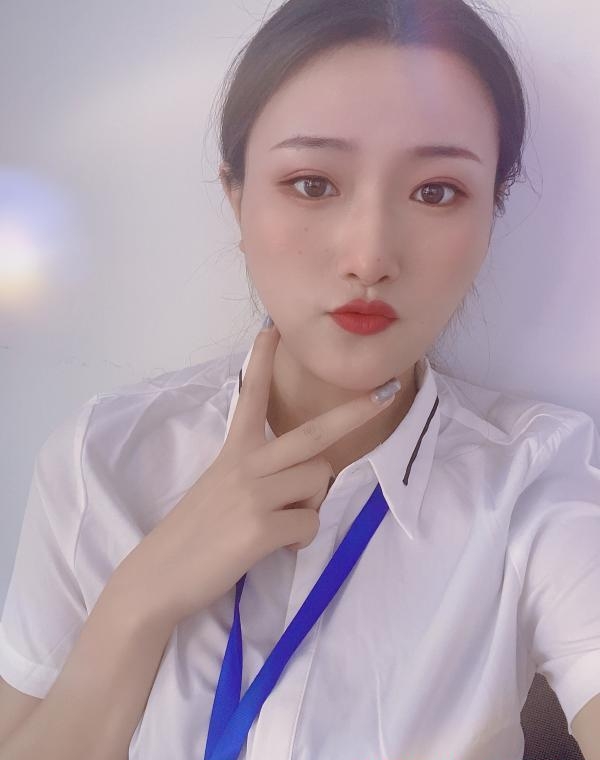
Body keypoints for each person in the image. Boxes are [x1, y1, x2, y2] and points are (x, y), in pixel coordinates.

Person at [1, 0, 600, 758]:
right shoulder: (104, 458)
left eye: (437, 191)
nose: (369, 256)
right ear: (236, 199)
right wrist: (138, 601)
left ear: (490, 216)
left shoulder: (534, 479)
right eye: (313, 184)